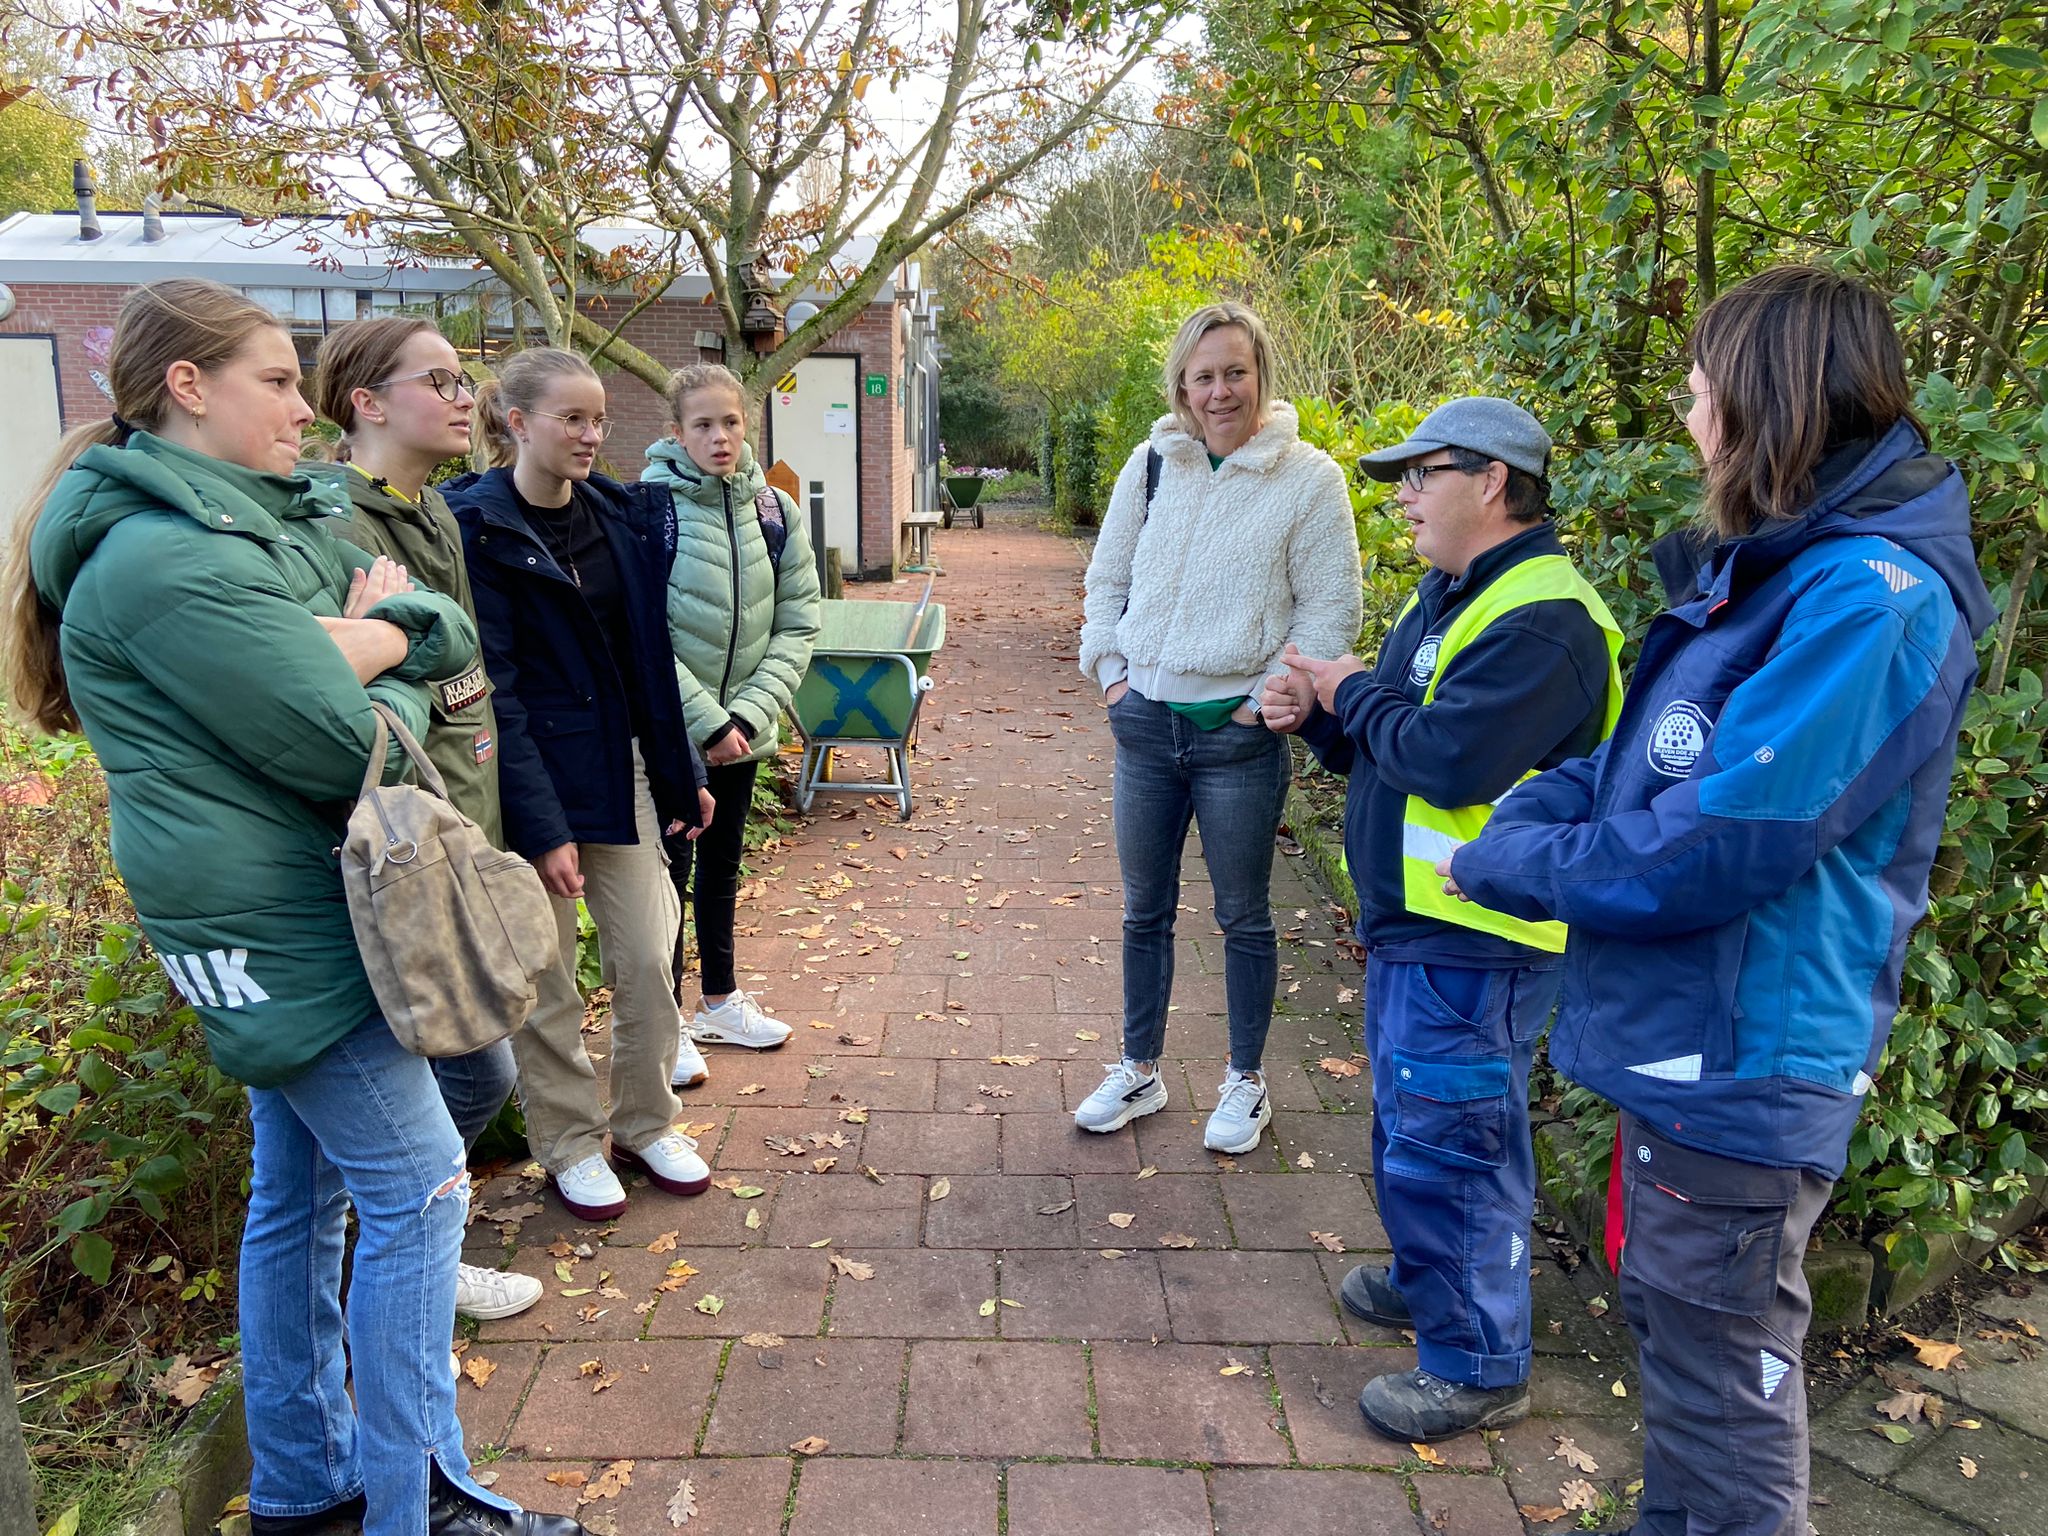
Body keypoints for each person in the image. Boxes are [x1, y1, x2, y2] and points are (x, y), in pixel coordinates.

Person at [4, 278, 581, 1536]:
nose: (302, 411)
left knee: (299, 1199)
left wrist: (372, 636)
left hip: (279, 905)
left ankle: (313, 1493)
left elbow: (362, 654)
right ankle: (412, 1503)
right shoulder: (163, 559)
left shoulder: (202, 536)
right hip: (287, 920)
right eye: (274, 379)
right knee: (425, 1184)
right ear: (188, 387)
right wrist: (389, 649)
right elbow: (341, 745)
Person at [1441, 267, 1993, 1535]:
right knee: (1686, 1361)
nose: (1688, 413)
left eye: (1700, 390)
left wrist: (1507, 860)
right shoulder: (1786, 574)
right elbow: (1650, 760)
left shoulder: (1866, 599)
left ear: (1765, 400)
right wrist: (1541, 811)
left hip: (1739, 1060)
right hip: (1690, 1051)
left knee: (1725, 1404)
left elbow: (1714, 846)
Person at [1259, 397, 1623, 1441]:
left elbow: (1448, 757)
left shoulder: (1543, 622)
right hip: (1419, 928)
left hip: (1479, 936)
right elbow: (1400, 749)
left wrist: (1348, 689)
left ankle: (1475, 1362)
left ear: (1494, 481)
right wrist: (1323, 722)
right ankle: (1433, 1284)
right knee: (1414, 1130)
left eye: (1422, 474)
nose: (1403, 497)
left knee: (1454, 1146)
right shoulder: (1452, 596)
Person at [1075, 301, 1362, 1154]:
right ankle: (1139, 1067)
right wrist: (1113, 673)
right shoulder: (1153, 464)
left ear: (1261, 375)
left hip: (1238, 738)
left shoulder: (1310, 479)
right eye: (1203, 376)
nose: (1219, 390)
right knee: (1143, 912)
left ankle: (1245, 1081)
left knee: (1244, 915)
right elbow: (1106, 577)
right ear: (1182, 385)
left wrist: (1261, 696)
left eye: (1235, 371)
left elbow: (1331, 610)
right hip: (1144, 730)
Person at [443, 347, 716, 1224]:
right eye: (572, 418)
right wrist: (542, 823)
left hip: (621, 765)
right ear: (517, 422)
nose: (592, 434)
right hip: (528, 786)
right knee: (547, 976)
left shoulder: (619, 516)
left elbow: (647, 663)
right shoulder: (476, 528)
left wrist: (681, 775)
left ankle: (644, 1122)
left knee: (644, 954)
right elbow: (498, 690)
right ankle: (565, 1141)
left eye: (598, 418)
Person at [307, 315, 542, 1325]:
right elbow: (351, 688)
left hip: (457, 823)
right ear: (366, 402)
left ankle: (393, 1259)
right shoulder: (335, 527)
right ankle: (402, 1267)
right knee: (468, 1069)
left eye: (466, 376)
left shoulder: (430, 511)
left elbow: (460, 673)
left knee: (468, 1061)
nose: (464, 396)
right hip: (396, 840)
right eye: (439, 379)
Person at [643, 362, 821, 1063]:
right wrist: (707, 722)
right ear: (676, 431)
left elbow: (800, 621)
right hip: (677, 735)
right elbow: (643, 632)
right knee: (668, 877)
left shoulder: (773, 511)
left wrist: (745, 716)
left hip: (747, 731)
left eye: (731, 422)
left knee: (721, 871)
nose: (720, 437)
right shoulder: (647, 509)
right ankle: (667, 1025)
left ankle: (719, 1001)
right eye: (703, 424)